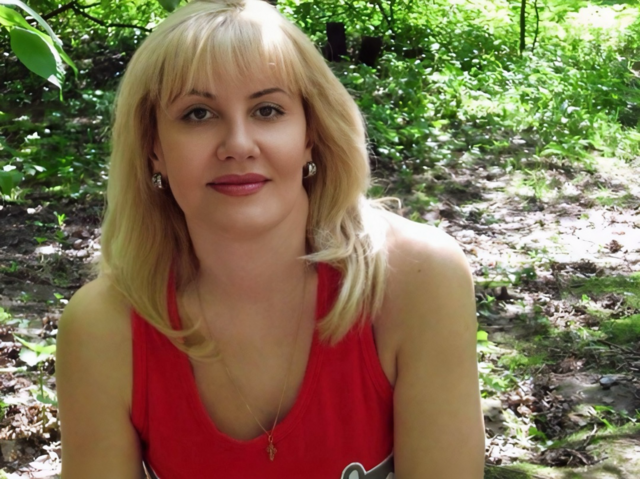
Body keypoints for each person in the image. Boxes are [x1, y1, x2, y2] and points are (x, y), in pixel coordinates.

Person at [55, 0, 485, 477]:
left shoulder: (417, 279)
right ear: (153, 149)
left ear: (309, 135)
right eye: (198, 114)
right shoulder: (103, 329)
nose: (238, 145)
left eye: (267, 109)